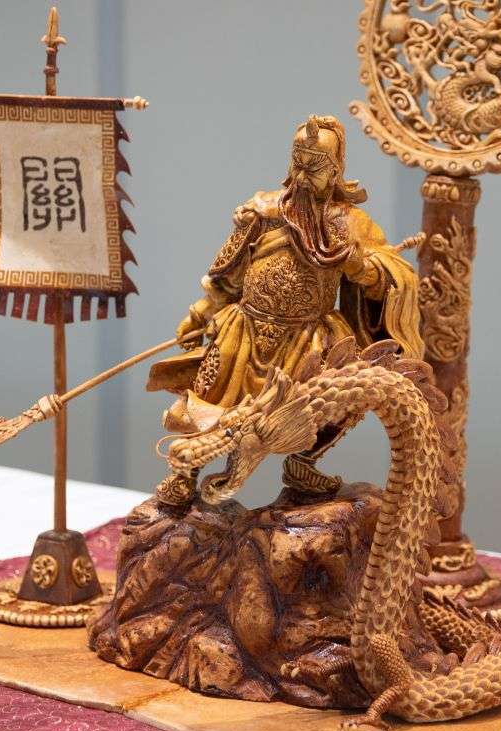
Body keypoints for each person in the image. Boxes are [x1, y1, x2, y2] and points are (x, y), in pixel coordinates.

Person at [147, 114, 422, 495]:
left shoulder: (351, 223)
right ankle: (184, 474)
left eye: (315, 166)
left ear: (336, 170)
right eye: (299, 163)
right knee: (207, 397)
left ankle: (302, 464)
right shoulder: (262, 212)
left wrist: (358, 264)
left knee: (340, 396)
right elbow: (229, 274)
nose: (304, 175)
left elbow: (387, 278)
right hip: (244, 329)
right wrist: (199, 312)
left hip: (310, 339)